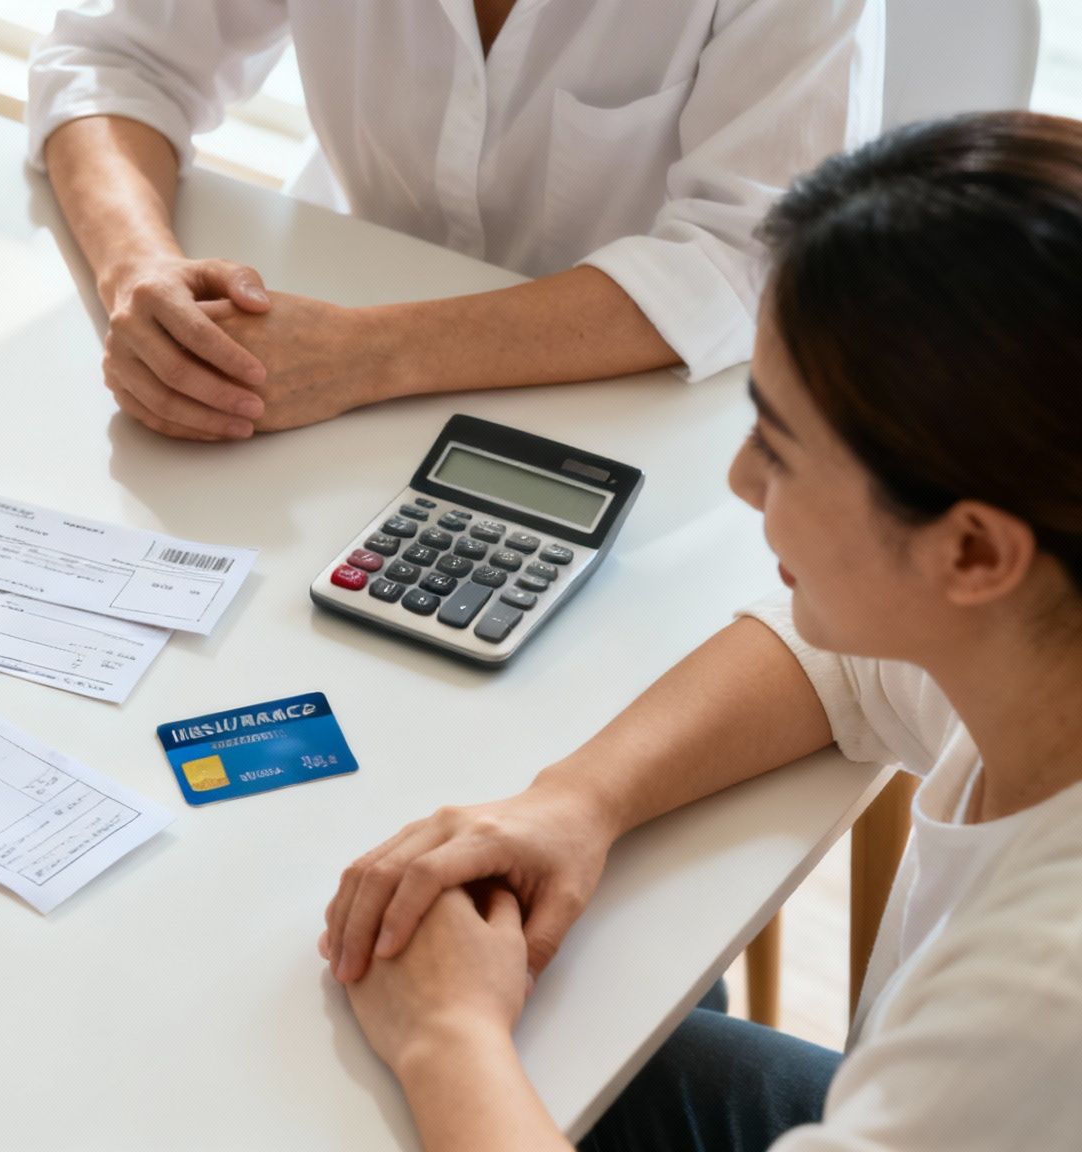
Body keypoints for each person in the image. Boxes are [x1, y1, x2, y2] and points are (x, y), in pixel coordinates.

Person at [319, 111, 1082, 1151]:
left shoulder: (1039, 1006)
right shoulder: (1035, 628)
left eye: (777, 447)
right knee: (618, 1028)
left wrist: (445, 1037)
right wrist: (575, 801)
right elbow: (838, 663)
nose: (737, 479)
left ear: (970, 552)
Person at [25, 0, 882, 441]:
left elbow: (752, 257)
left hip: (637, 402)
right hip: (304, 348)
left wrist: (366, 354)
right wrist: (138, 270)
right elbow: (114, 59)